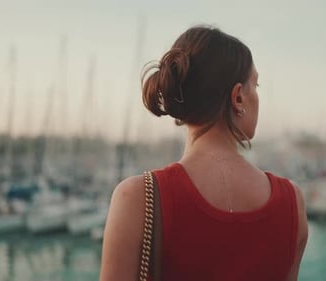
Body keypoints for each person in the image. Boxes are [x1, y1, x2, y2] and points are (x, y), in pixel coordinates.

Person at [100, 25, 308, 281]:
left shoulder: (136, 199)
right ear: (238, 98)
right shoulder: (292, 203)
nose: (258, 96)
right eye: (256, 84)